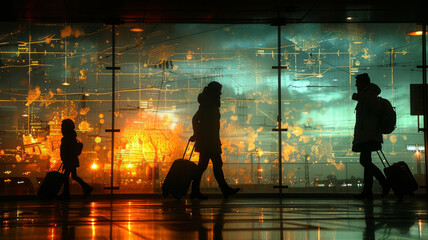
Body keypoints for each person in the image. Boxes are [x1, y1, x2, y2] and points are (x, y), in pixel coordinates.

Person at [190, 81, 240, 200]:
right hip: (209, 141)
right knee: (215, 165)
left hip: (208, 140)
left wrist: (197, 134)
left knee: (203, 166)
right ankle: (224, 190)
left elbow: (196, 120)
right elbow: (197, 119)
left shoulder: (208, 103)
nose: (220, 93)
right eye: (218, 91)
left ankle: (196, 191)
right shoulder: (209, 104)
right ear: (214, 92)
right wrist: (197, 134)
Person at [352, 73, 390, 200]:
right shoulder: (368, 94)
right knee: (367, 162)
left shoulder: (369, 95)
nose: (356, 85)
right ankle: (367, 190)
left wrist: (361, 98)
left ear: (364, 83)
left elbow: (373, 110)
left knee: (364, 161)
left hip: (368, 134)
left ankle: (383, 182)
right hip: (368, 134)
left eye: (358, 82)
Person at [58, 119, 93, 200]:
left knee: (66, 177)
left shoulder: (67, 138)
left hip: (69, 160)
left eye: (62, 127)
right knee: (74, 176)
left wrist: (64, 158)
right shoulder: (72, 136)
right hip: (72, 159)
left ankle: (66, 194)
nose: (61, 129)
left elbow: (66, 149)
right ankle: (87, 187)